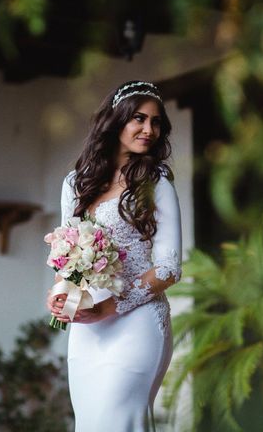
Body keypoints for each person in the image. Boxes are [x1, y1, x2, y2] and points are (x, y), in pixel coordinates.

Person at [46, 80, 183, 431]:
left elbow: (168, 268)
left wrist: (112, 306)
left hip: (136, 321)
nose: (149, 130)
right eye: (139, 118)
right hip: (87, 326)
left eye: (156, 122)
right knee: (91, 423)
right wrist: (61, 296)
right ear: (115, 120)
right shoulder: (76, 183)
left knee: (119, 421)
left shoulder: (157, 182)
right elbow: (69, 251)